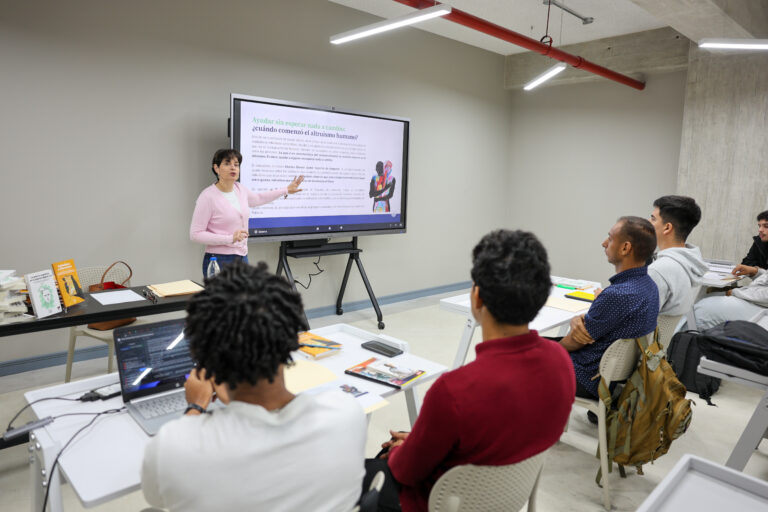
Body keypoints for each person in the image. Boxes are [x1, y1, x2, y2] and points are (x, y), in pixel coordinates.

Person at [364, 230, 576, 512]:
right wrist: (416, 442)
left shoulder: (454, 391)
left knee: (366, 467)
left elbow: (405, 473)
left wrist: (403, 450)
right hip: (507, 497)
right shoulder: (560, 361)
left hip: (438, 503)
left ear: (477, 298)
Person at [141, 261, 366, 512]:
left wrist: (195, 407)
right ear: (292, 337)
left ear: (203, 356)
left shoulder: (173, 447)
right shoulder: (347, 413)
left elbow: (156, 499)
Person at [559, 217, 659, 400]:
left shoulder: (617, 295)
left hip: (588, 377)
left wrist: (552, 350)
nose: (604, 243)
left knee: (524, 353)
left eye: (610, 238)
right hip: (617, 376)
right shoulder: (648, 286)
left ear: (625, 248)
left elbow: (576, 341)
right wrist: (578, 320)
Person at [189, 148, 304, 278]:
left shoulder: (239, 189)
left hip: (242, 257)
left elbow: (259, 198)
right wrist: (229, 238)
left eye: (236, 164)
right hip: (219, 261)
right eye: (227, 163)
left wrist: (286, 190)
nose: (233, 167)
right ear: (216, 168)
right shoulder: (207, 196)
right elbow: (195, 234)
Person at [647, 195, 708, 316]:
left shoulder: (659, 270)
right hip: (670, 333)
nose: (648, 222)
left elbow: (637, 323)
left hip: (649, 335)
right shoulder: (690, 263)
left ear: (667, 227)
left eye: (653, 219)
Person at [731, 210, 768, 278]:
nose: (760, 230)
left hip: (761, 288)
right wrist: (755, 269)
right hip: (758, 286)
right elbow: (746, 263)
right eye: (759, 226)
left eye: (766, 226)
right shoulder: (759, 241)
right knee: (712, 288)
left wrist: (755, 271)